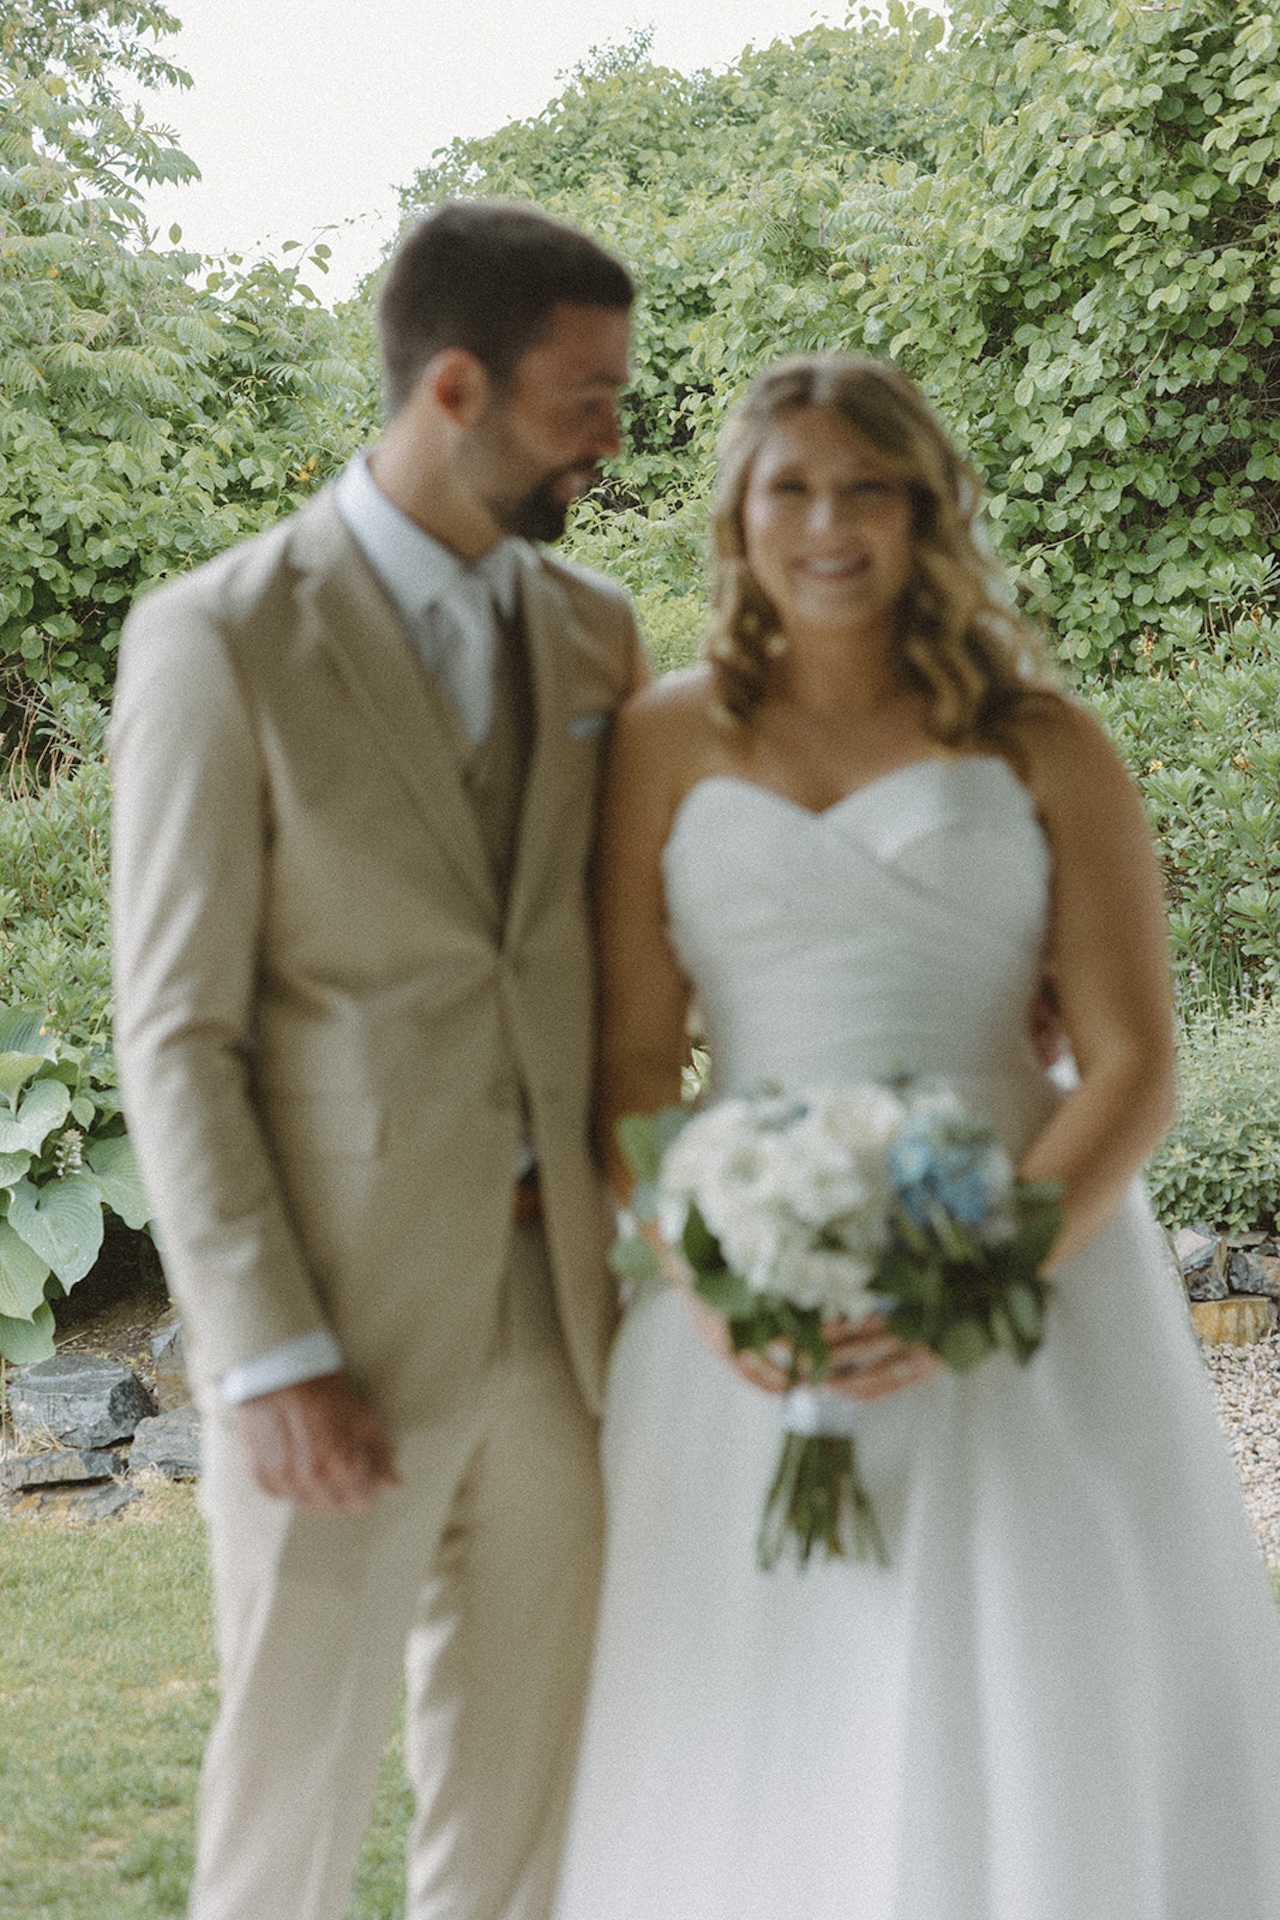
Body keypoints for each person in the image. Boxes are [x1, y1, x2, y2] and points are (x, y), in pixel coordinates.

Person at [552, 353, 1280, 1920]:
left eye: (866, 487)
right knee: (759, 1722)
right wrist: (710, 1265)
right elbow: (626, 1059)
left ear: (925, 509)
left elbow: (1135, 1061)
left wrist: (974, 1275)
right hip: (737, 1309)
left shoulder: (1044, 745)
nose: (829, 523)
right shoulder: (666, 742)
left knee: (1037, 1683)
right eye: (790, 489)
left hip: (1031, 1278)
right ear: (739, 518)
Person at [109, 199, 649, 1920]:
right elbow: (175, 1031)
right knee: (288, 1814)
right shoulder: (219, 639)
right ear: (461, 387)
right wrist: (263, 1354)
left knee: (519, 1829)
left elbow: (644, 937)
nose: (610, 435)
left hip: (563, 1326)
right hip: (334, 1328)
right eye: (586, 397)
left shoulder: (596, 635)